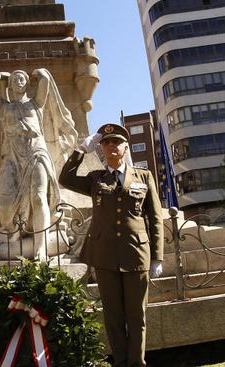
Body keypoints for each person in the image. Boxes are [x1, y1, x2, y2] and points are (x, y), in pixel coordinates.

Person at [59, 123, 164, 367]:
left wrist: (157, 256)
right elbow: (65, 178)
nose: (111, 146)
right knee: (113, 316)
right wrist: (80, 150)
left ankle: (137, 363)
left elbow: (155, 218)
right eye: (106, 143)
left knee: (137, 315)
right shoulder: (96, 178)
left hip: (136, 253)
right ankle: (120, 362)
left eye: (116, 142)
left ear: (126, 147)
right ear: (101, 149)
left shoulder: (143, 176)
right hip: (105, 255)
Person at [0, 68, 77, 261]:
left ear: (27, 83)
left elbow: (45, 84)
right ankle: (12, 234)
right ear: (10, 84)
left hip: (36, 153)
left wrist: (41, 73)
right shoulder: (4, 106)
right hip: (11, 157)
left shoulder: (36, 104)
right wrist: (0, 76)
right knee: (6, 200)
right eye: (15, 78)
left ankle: (41, 247)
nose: (18, 81)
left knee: (39, 197)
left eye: (22, 78)